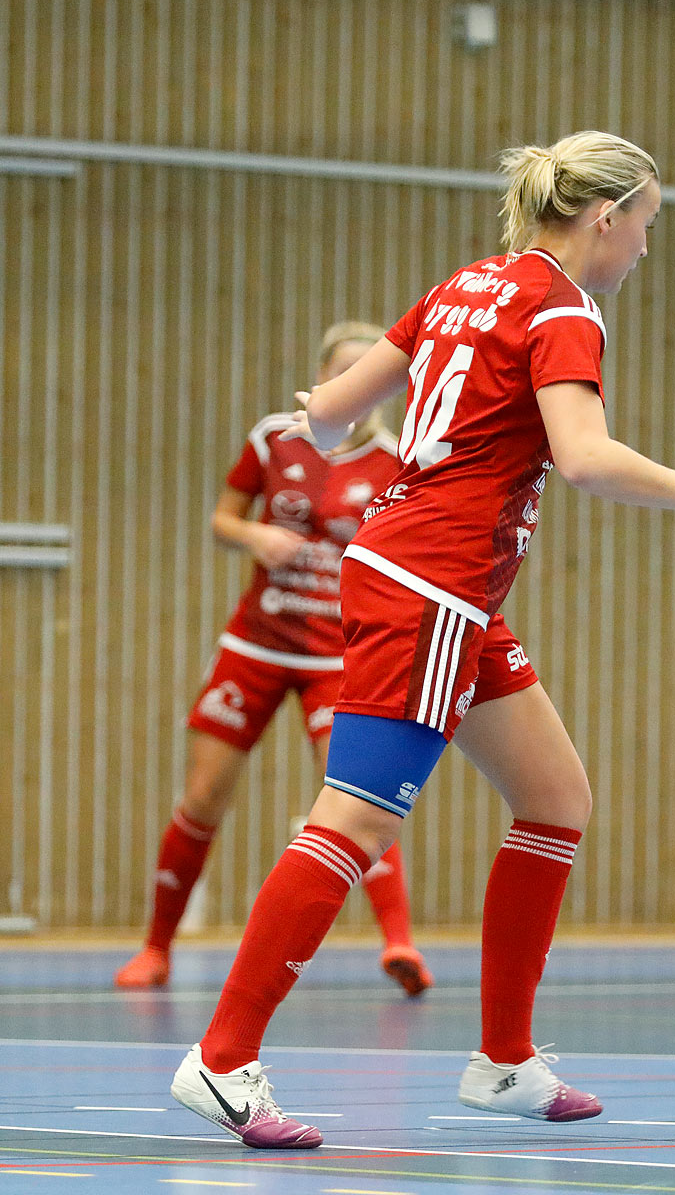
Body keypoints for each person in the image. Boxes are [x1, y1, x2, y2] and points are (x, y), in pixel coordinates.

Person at [169, 131, 675, 1150]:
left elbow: (324, 420)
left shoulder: (465, 285)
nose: (644, 248)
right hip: (432, 587)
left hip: (427, 580)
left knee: (555, 799)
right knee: (355, 820)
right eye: (646, 226)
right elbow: (583, 460)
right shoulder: (561, 309)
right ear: (604, 217)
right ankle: (224, 1057)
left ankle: (505, 1062)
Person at [115, 322, 435, 998]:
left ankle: (400, 943)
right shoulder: (274, 439)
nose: (360, 388)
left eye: (375, 375)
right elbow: (223, 520)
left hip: (334, 658)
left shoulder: (398, 459)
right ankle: (155, 947)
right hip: (256, 646)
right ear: (323, 377)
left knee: (357, 797)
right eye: (346, 372)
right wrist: (255, 534)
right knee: (204, 792)